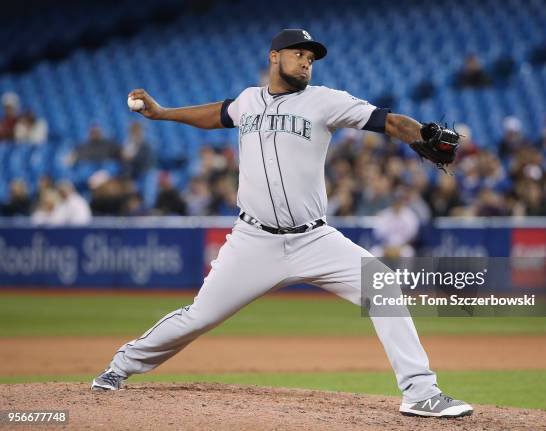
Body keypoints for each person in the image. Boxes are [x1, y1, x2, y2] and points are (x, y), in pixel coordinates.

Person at [91, 29, 472, 418]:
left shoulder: (326, 101)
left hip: (314, 238)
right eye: (299, 53)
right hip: (253, 240)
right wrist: (164, 113)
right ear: (275, 57)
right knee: (199, 317)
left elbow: (388, 122)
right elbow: (216, 114)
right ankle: (119, 368)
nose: (307, 61)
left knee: (383, 286)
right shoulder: (248, 101)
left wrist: (423, 133)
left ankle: (421, 392)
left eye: (312, 57)